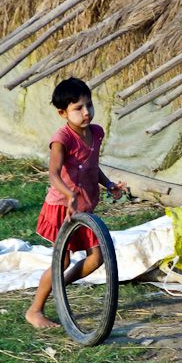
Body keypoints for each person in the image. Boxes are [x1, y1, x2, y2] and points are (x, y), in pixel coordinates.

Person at [25, 77, 126, 329]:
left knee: (97, 258)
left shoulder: (96, 133)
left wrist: (109, 184)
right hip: (63, 207)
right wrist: (70, 195)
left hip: (85, 208)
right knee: (63, 261)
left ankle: (59, 286)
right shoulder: (63, 139)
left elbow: (93, 166)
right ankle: (35, 310)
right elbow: (54, 174)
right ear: (62, 113)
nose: (86, 112)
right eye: (78, 108)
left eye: (89, 105)